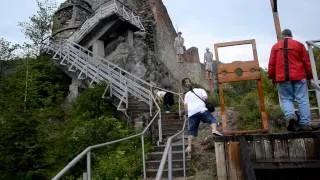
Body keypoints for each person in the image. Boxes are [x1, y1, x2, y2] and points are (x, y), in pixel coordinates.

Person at [268, 29, 313, 131]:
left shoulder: (275, 46)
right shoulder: (299, 45)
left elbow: (271, 64)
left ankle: (290, 118)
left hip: (282, 78)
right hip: (299, 76)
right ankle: (305, 123)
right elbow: (306, 63)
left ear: (282, 36)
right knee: (302, 99)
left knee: (286, 99)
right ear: (291, 36)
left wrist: (272, 77)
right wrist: (309, 76)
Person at [182, 78, 222, 153]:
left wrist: (187, 114)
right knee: (212, 120)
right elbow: (205, 98)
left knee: (191, 131)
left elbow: (185, 106)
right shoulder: (201, 90)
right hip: (201, 110)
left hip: (192, 113)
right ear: (196, 86)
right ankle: (214, 130)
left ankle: (189, 146)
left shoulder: (187, 94)